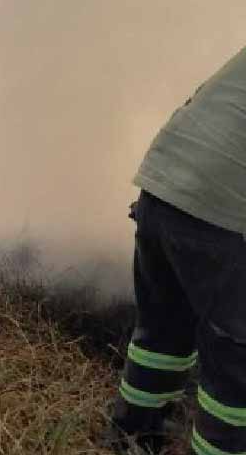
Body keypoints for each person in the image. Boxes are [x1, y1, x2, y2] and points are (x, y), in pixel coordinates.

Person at [108, 47, 246, 454]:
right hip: (220, 211)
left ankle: (131, 435)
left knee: (162, 333)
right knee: (236, 373)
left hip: (163, 188)